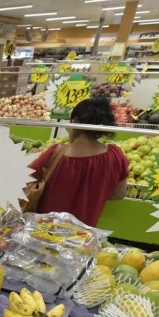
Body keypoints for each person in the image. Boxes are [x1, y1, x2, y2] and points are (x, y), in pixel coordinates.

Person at [27, 95, 129, 226]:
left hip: (44, 230)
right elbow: (119, 194)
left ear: (74, 123)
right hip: (81, 235)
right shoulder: (115, 156)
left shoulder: (55, 153)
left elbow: (25, 179)